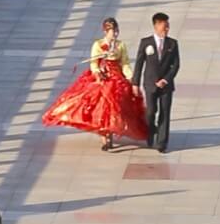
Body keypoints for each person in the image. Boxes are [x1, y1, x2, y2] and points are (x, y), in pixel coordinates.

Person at [40, 16, 148, 151]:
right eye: (112, 31)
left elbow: (124, 62)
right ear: (106, 31)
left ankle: (111, 131)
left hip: (116, 78)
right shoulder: (98, 45)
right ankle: (105, 138)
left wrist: (130, 76)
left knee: (116, 108)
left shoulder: (120, 45)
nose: (115, 33)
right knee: (101, 107)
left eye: (116, 31)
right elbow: (93, 63)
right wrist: (97, 72)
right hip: (101, 78)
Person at [133, 12, 181, 153]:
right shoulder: (146, 43)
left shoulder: (173, 44)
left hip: (166, 86)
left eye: (168, 26)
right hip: (150, 84)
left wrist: (166, 79)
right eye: (164, 26)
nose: (167, 29)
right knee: (151, 111)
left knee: (165, 113)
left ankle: (162, 142)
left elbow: (176, 65)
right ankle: (150, 133)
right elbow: (139, 64)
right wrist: (135, 83)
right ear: (157, 25)